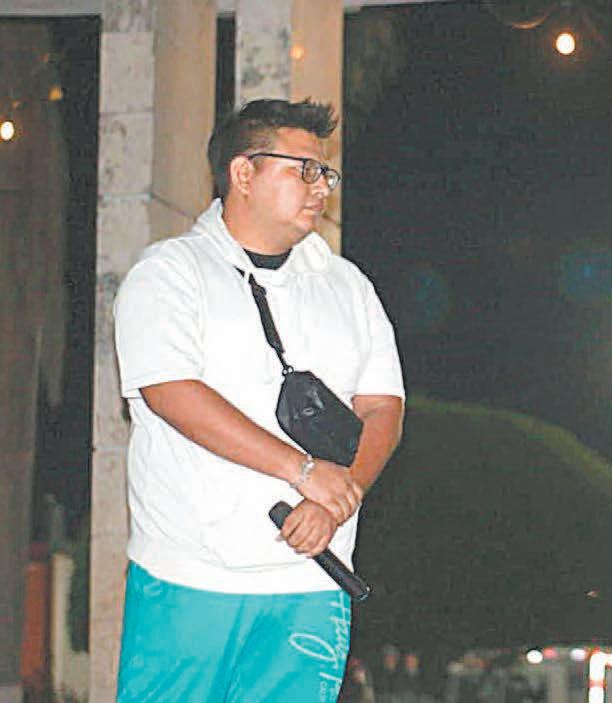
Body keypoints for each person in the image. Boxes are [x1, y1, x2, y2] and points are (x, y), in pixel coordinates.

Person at [113, 99, 405, 702]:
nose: (320, 187)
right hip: (188, 577)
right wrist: (303, 471)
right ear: (243, 173)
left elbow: (383, 407)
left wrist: (339, 497)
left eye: (325, 172)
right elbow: (170, 391)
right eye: (304, 169)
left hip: (312, 581)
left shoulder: (347, 285)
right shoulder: (168, 273)